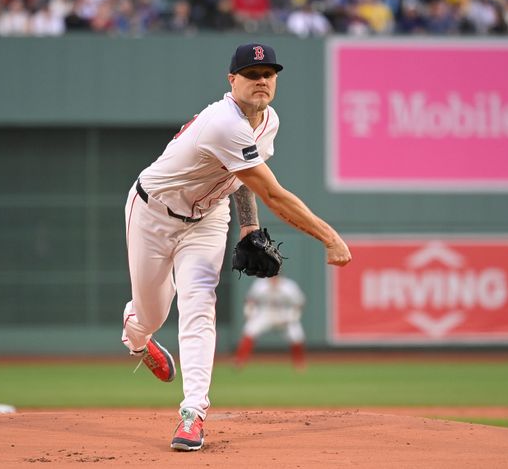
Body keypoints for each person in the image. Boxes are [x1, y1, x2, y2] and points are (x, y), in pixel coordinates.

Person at [122, 43, 351, 451]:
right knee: (152, 312)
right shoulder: (222, 122)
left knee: (199, 304)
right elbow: (273, 194)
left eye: (268, 74)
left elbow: (244, 177)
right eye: (251, 74)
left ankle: (193, 415)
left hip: (208, 219)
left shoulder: (269, 121)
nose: (261, 81)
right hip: (153, 212)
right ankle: (137, 337)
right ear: (233, 81)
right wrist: (329, 237)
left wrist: (249, 227)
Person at [234, 274, 307, 370]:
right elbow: (250, 299)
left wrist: (294, 315)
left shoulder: (289, 286)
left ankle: (299, 363)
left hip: (283, 314)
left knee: (296, 335)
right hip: (265, 312)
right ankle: (240, 361)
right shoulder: (260, 284)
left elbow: (299, 302)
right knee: (249, 330)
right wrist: (249, 310)